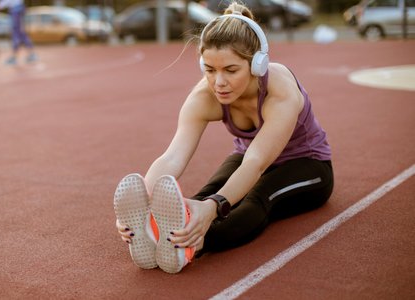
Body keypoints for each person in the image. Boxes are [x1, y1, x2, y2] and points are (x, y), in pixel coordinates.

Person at [113, 1, 334, 274]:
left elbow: (256, 164)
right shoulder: (203, 97)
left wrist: (214, 207)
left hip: (307, 164)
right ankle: (159, 232)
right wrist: (142, 202)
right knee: (206, 193)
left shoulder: (281, 93)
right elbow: (173, 156)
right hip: (247, 155)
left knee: (257, 197)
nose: (219, 82)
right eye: (210, 70)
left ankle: (195, 244)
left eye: (230, 70)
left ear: (257, 65)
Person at [0, 0, 37, 65]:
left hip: (16, 10)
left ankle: (15, 57)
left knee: (16, 33)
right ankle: (29, 54)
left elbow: (5, 2)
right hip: (18, 9)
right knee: (20, 33)